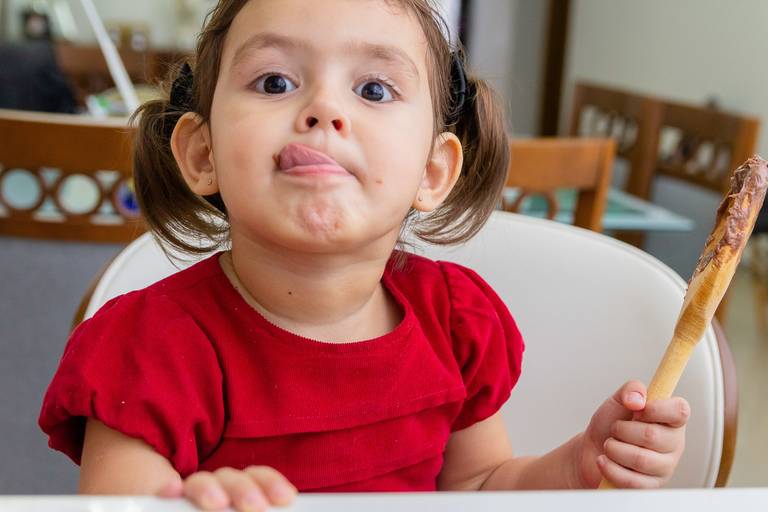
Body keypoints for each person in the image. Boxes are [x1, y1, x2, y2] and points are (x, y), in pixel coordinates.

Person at [38, 1, 689, 511]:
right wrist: (183, 504)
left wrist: (578, 467)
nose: (323, 109)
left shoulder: (455, 321)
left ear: (433, 172)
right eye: (274, 81)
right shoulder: (146, 348)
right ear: (202, 155)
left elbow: (480, 488)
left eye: (374, 90)